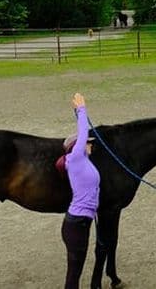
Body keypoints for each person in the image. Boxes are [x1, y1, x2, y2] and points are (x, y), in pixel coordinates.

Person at [61, 93, 100, 289]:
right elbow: (83, 132)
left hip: (81, 222)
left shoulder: (84, 162)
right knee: (73, 275)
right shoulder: (76, 159)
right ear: (76, 147)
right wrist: (81, 109)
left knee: (76, 272)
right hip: (76, 224)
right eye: (87, 142)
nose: (90, 143)